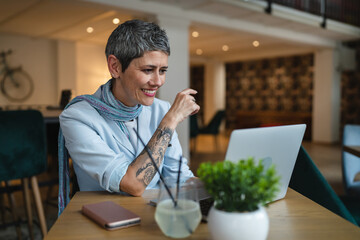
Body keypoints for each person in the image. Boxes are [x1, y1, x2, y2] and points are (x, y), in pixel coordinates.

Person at [58, 19, 200, 215]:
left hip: (156, 214)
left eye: (163, 71)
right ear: (115, 67)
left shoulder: (162, 109)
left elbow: (178, 177)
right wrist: (169, 121)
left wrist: (222, 187)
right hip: (107, 218)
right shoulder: (77, 117)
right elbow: (133, 184)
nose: (158, 81)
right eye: (148, 70)